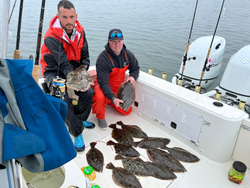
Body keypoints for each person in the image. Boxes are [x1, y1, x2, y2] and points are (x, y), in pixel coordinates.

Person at [40, 0, 94, 152]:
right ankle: (76, 132)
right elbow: (63, 64)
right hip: (54, 71)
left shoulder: (81, 32)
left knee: (89, 92)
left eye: (72, 17)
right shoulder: (51, 37)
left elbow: (85, 58)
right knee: (63, 96)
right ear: (58, 16)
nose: (69, 21)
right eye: (65, 17)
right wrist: (77, 82)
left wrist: (83, 78)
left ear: (76, 16)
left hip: (74, 69)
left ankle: (81, 120)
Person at [92, 28, 140, 130]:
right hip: (102, 85)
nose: (117, 44)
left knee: (126, 111)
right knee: (100, 97)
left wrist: (132, 77)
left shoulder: (128, 55)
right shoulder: (103, 58)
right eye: (113, 42)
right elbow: (103, 82)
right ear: (108, 41)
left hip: (118, 88)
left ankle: (109, 102)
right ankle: (100, 116)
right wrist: (113, 98)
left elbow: (135, 68)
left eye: (119, 41)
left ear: (123, 41)